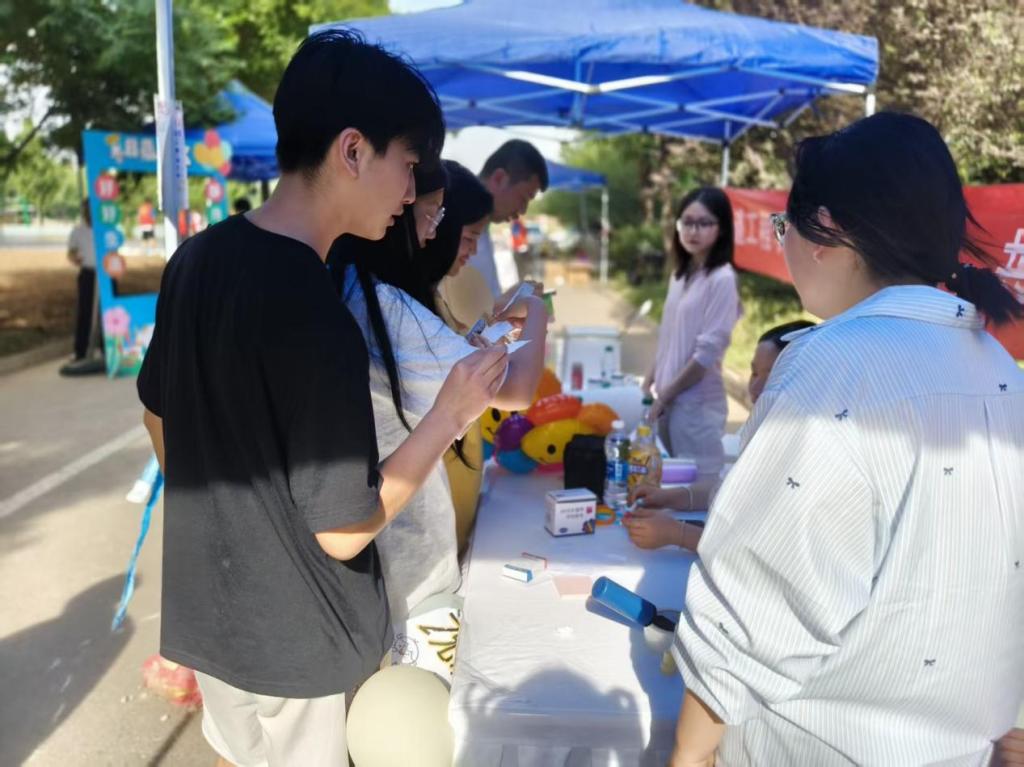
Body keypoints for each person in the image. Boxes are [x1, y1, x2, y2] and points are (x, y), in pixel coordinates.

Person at [136, 30, 509, 767]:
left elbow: (156, 412)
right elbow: (343, 531)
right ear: (353, 151)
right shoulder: (317, 312)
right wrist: (448, 416)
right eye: (408, 167)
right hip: (302, 643)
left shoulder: (196, 259)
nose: (410, 194)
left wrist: (232, 524)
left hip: (210, 617)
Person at [668, 112, 1024, 767]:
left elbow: (760, 600)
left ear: (826, 231)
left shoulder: (834, 362)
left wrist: (689, 753)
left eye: (785, 228)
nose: (784, 246)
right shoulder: (1002, 370)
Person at [332, 158, 547, 657]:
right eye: (431, 214)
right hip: (403, 549)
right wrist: (536, 309)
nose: (433, 231)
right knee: (414, 676)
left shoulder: (360, 290)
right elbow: (516, 389)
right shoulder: (385, 306)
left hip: (399, 534)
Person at [624, 319, 815, 550]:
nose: (756, 387)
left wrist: (677, 534)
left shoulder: (803, 454)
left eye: (772, 376)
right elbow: (728, 491)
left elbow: (764, 549)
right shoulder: (762, 428)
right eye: (754, 373)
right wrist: (668, 497)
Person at [643, 188, 742, 483]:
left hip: (696, 407)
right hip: (668, 400)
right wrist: (650, 378)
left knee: (696, 488)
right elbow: (670, 337)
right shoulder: (680, 274)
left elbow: (706, 353)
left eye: (704, 223)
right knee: (667, 485)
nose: (693, 231)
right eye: (687, 222)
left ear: (721, 229)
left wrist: (665, 396)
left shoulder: (722, 278)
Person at [465, 139, 549, 297]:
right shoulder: (453, 219)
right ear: (499, 179)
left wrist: (512, 299)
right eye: (523, 198)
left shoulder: (482, 221)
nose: (522, 211)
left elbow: (479, 302)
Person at [66, 199, 97, 361]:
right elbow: (70, 253)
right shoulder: (77, 231)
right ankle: (80, 351)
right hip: (87, 274)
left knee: (108, 311)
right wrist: (75, 259)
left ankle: (108, 350)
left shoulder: (103, 228)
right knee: (85, 312)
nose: (89, 212)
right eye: (87, 209)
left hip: (105, 275)